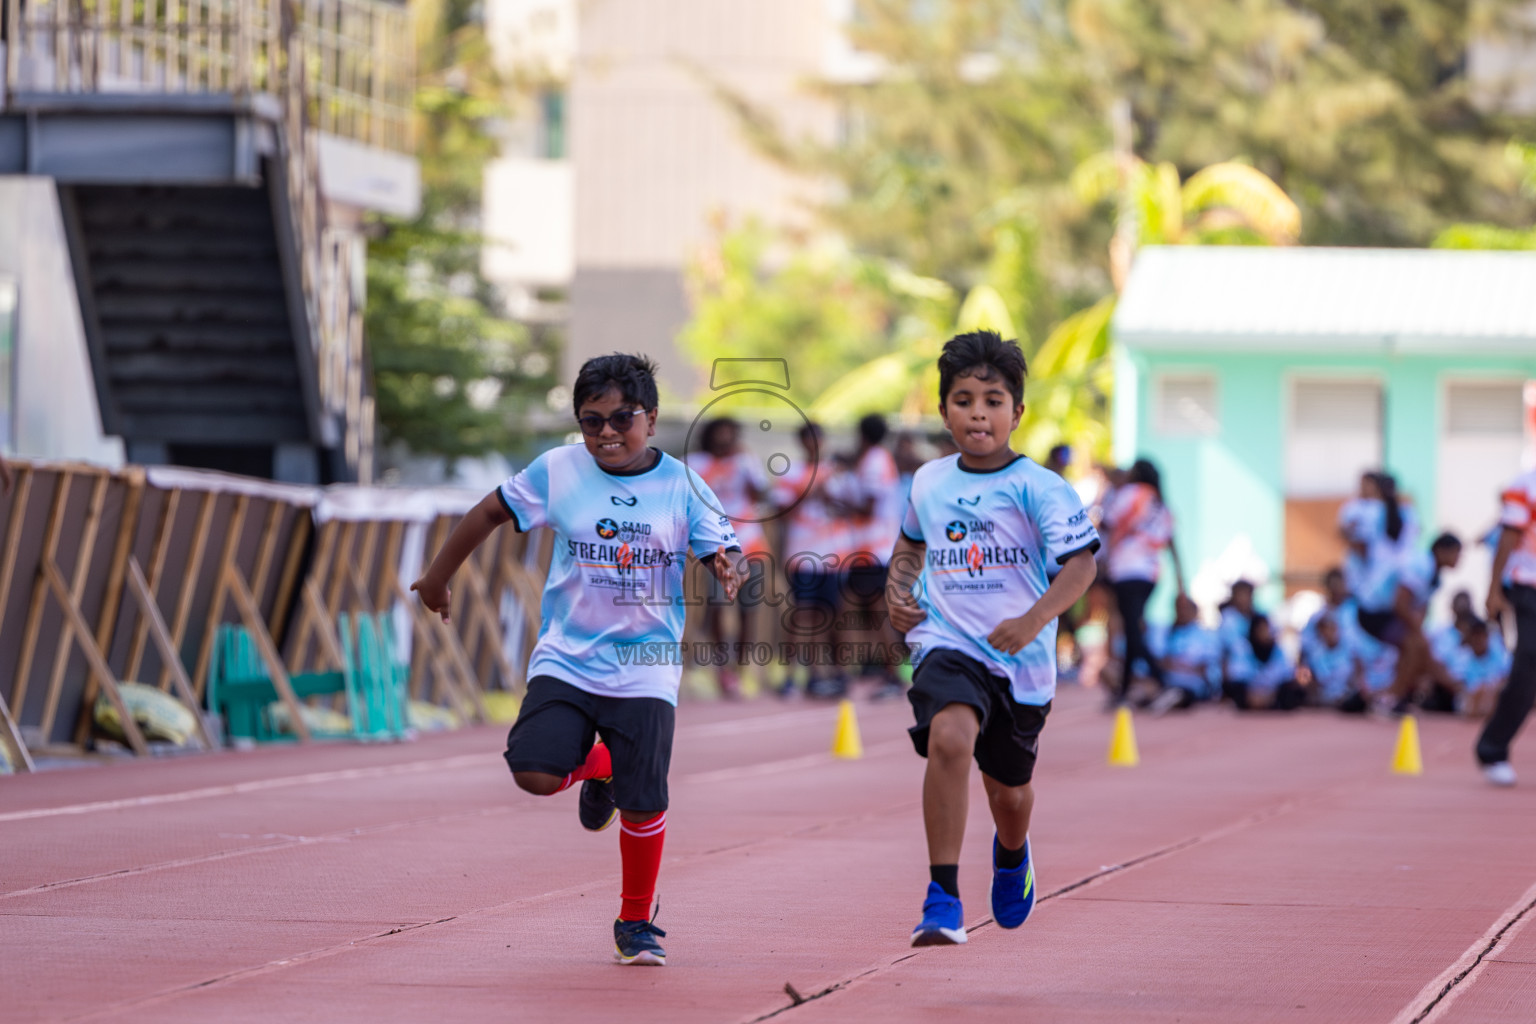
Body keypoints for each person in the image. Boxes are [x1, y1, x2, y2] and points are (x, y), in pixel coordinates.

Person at [411, 353, 745, 966]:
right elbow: (489, 511)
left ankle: (635, 919)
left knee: (646, 800)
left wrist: (729, 565)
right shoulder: (557, 469)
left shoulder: (684, 485)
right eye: (592, 422)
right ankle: (601, 769)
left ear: (651, 418)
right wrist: (436, 579)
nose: (607, 434)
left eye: (623, 419)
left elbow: (725, 548)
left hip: (645, 664)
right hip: (567, 658)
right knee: (533, 773)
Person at [886, 330, 1099, 947]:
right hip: (947, 642)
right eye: (963, 399)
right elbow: (911, 542)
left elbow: (1082, 566)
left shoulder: (1041, 487)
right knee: (949, 736)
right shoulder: (929, 481)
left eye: (993, 400)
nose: (978, 412)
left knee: (1009, 794)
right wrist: (899, 590)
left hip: (1022, 662)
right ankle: (942, 897)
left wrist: (1034, 620)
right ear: (944, 408)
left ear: (1017, 412)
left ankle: (1012, 854)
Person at [686, 417, 770, 698]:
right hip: (715, 546)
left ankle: (742, 669)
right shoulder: (695, 463)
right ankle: (723, 668)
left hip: (750, 543)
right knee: (717, 606)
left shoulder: (745, 460)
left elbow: (762, 493)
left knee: (749, 610)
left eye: (730, 435)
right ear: (709, 436)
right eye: (719, 434)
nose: (725, 440)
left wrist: (746, 463)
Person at [1101, 458, 1185, 706]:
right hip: (1149, 574)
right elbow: (1171, 544)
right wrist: (1181, 581)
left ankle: (1164, 682)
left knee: (1132, 631)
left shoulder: (1129, 494)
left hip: (1126, 570)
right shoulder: (1161, 504)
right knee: (1131, 630)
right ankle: (1124, 692)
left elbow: (1107, 521)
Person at [772, 423, 845, 698]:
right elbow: (780, 511)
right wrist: (810, 493)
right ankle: (791, 674)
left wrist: (832, 497)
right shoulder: (791, 473)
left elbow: (851, 508)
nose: (814, 445)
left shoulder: (835, 473)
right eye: (808, 440)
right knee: (801, 616)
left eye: (819, 439)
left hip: (831, 556)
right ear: (802, 443)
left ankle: (819, 673)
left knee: (826, 617)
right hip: (802, 555)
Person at [1476, 465, 1536, 785]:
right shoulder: (1526, 485)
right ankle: (1493, 749)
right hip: (1529, 586)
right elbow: (1509, 536)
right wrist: (1494, 588)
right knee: (1528, 664)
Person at [1382, 532, 1463, 711]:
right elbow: (1400, 602)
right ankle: (1392, 696)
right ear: (1441, 551)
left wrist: (1418, 630)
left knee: (1420, 648)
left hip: (1397, 617)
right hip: (1380, 613)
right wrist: (1417, 631)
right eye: (1456, 553)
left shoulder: (1436, 578)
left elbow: (1421, 609)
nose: (1459, 559)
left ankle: (1397, 694)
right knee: (1418, 646)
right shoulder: (1421, 565)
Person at [1146, 594, 1221, 715]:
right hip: (1167, 682)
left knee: (1182, 694)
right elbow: (1160, 662)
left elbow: (1204, 668)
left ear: (1195, 611)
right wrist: (1185, 666)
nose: (1182, 612)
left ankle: (1170, 699)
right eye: (1179, 609)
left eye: (1186, 609)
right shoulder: (1168, 634)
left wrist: (1177, 665)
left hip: (1193, 686)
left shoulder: (1206, 635)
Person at [1451, 618, 1510, 718]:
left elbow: (1507, 678)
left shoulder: (1500, 655)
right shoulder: (1462, 658)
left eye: (1481, 636)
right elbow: (1458, 685)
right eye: (1475, 636)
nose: (1478, 640)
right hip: (1469, 698)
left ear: (1487, 637)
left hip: (1493, 696)